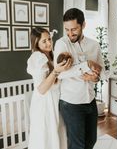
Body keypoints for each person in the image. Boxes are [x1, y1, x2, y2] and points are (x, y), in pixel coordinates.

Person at [54, 8, 104, 149]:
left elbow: (102, 69)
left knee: (91, 141)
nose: (70, 33)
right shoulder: (61, 44)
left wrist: (96, 78)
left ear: (83, 25)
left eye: (74, 29)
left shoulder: (94, 45)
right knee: (77, 145)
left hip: (90, 100)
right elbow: (61, 73)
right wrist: (87, 64)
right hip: (71, 103)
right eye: (67, 29)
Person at [27, 27, 72, 149]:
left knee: (58, 134)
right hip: (44, 104)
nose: (49, 43)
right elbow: (42, 89)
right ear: (36, 43)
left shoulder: (52, 57)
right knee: (46, 137)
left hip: (56, 101)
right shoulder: (37, 58)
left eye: (49, 39)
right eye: (44, 41)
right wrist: (56, 71)